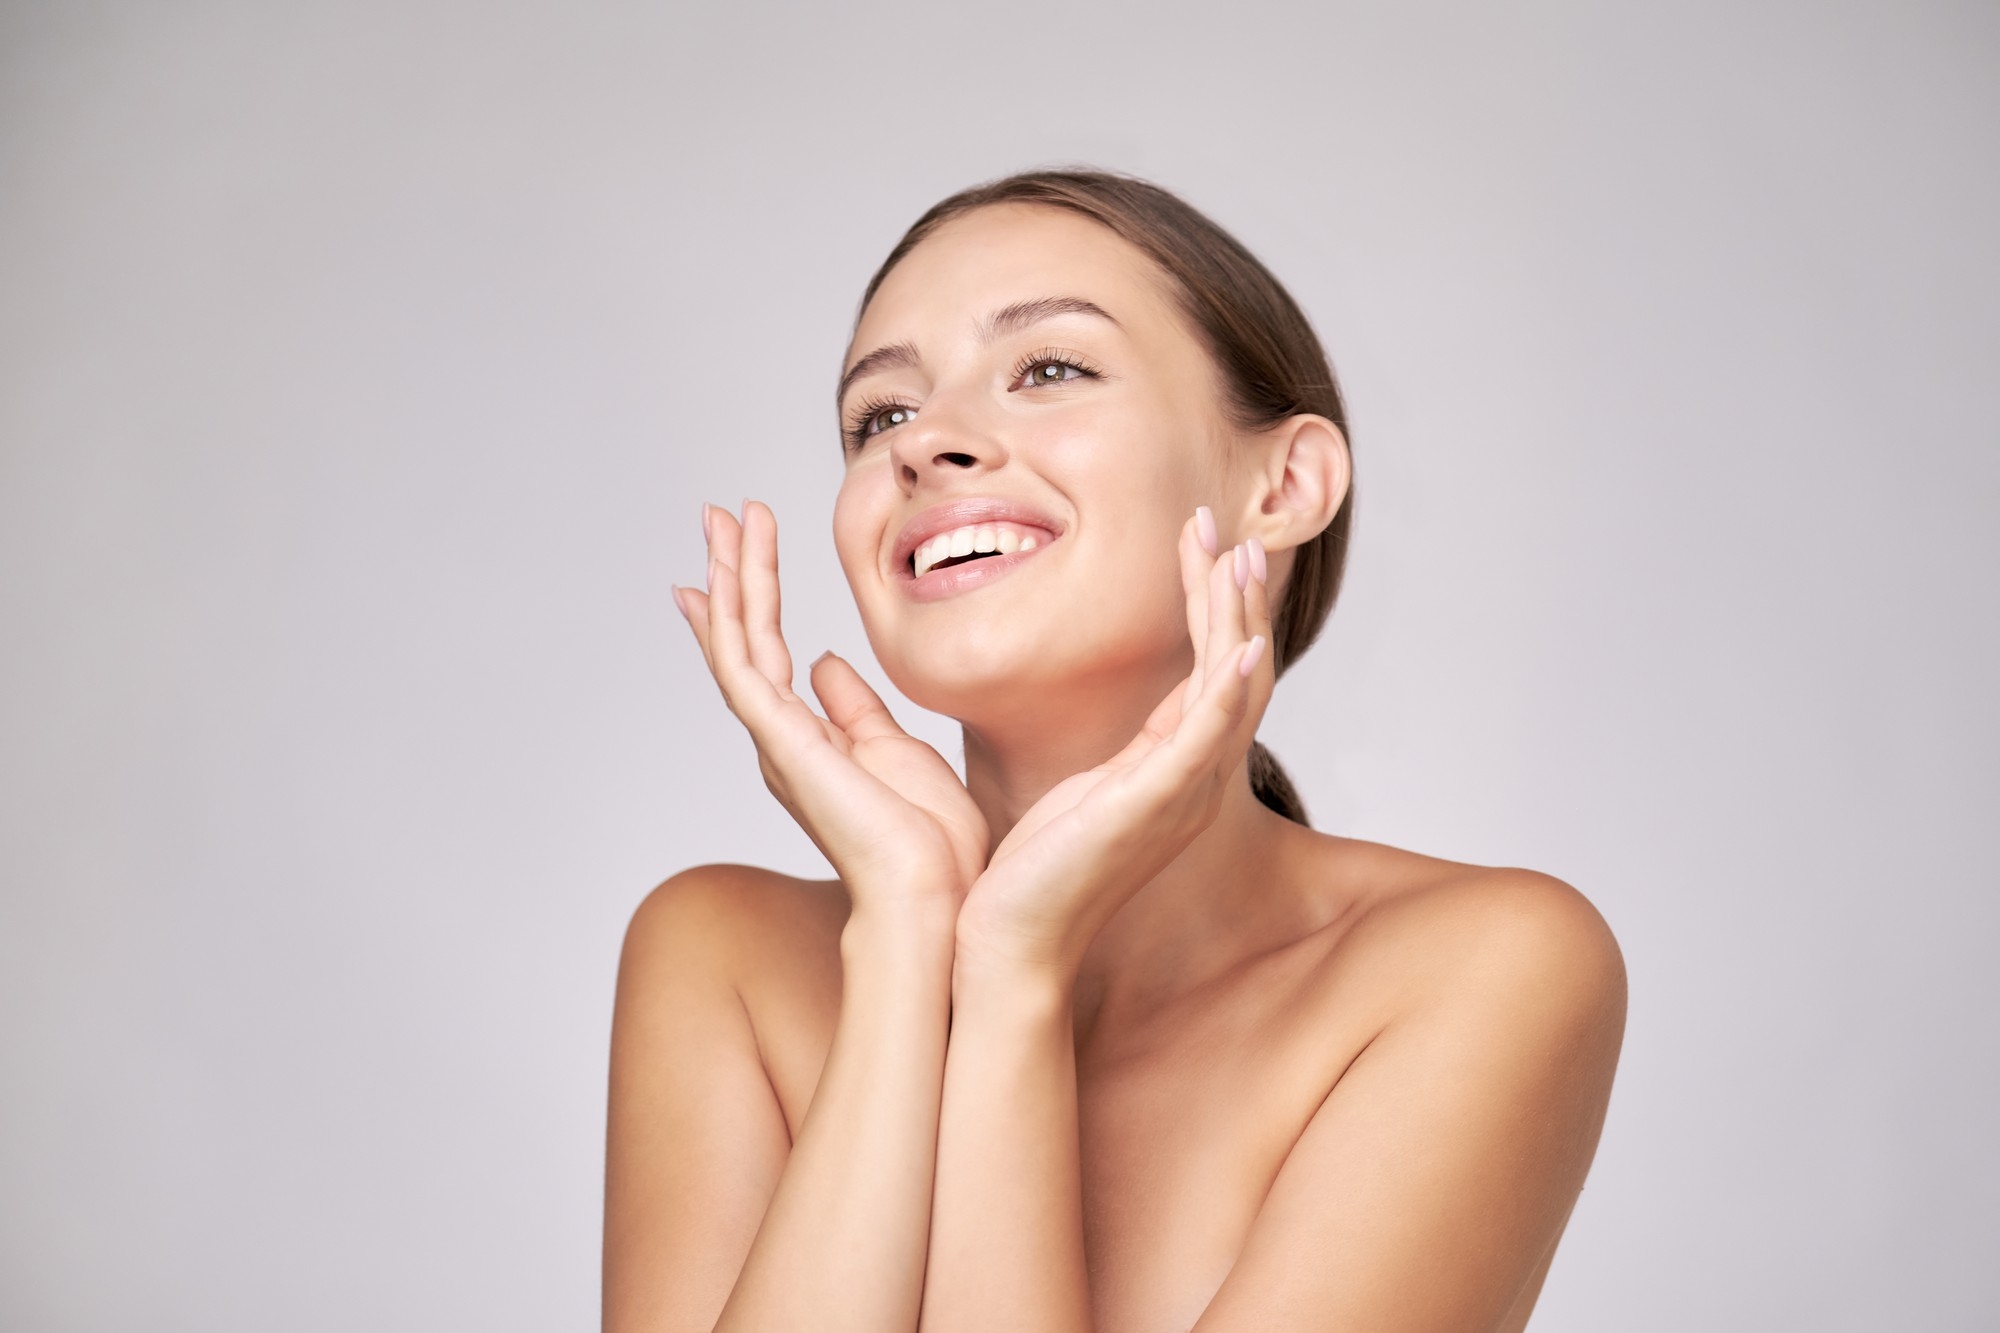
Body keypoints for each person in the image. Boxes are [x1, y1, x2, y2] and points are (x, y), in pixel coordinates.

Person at [605, 168, 1627, 1333]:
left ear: (1283, 485)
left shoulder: (1478, 969)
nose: (925, 442)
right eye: (878, 415)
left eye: (1048, 369)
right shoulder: (724, 957)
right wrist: (903, 939)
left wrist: (1011, 968)